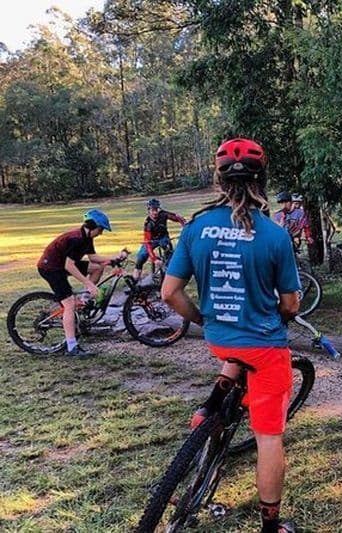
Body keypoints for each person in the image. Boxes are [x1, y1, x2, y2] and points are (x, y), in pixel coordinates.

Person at [161, 138, 301, 533]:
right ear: (262, 179)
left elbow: (169, 293)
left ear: (219, 179)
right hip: (264, 346)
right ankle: (271, 527)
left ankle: (205, 425)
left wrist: (209, 320)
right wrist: (275, 315)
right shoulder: (275, 235)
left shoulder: (196, 228)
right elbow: (290, 304)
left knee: (231, 366)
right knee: (268, 438)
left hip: (220, 340)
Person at [37, 209, 128, 358]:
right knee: (69, 304)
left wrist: (113, 258)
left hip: (61, 264)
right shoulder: (77, 239)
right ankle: (72, 347)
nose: (101, 233)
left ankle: (84, 301)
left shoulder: (87, 237)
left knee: (98, 268)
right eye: (100, 229)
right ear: (92, 226)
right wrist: (89, 284)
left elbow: (93, 258)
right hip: (51, 268)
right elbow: (69, 266)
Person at [132, 198, 186, 281]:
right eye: (152, 210)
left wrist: (183, 224)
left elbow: (177, 218)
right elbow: (147, 242)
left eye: (156, 209)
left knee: (170, 255)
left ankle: (170, 275)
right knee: (141, 256)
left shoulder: (163, 214)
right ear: (149, 210)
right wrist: (154, 259)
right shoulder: (148, 224)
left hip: (163, 238)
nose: (155, 212)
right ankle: (135, 278)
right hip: (151, 241)